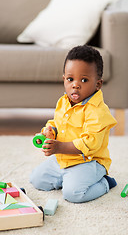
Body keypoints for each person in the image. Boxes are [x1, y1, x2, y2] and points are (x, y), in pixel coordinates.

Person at [30, 45, 117, 203]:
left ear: (97, 84)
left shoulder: (98, 111)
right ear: (64, 79)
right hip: (64, 159)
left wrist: (58, 147)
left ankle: (105, 183)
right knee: (37, 179)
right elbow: (57, 122)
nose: (75, 85)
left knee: (73, 194)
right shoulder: (64, 101)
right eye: (70, 79)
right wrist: (50, 131)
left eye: (84, 80)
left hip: (89, 162)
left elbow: (90, 143)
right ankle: (67, 178)